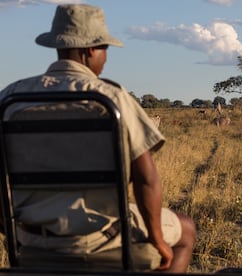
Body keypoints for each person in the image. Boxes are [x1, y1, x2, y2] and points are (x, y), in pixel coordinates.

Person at [0, 4, 195, 273]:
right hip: (103, 238)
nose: (105, 58)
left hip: (32, 238)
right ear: (91, 50)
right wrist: (157, 239)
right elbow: (146, 178)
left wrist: (11, 229)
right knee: (186, 230)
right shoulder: (112, 99)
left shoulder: (10, 98)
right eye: (105, 50)